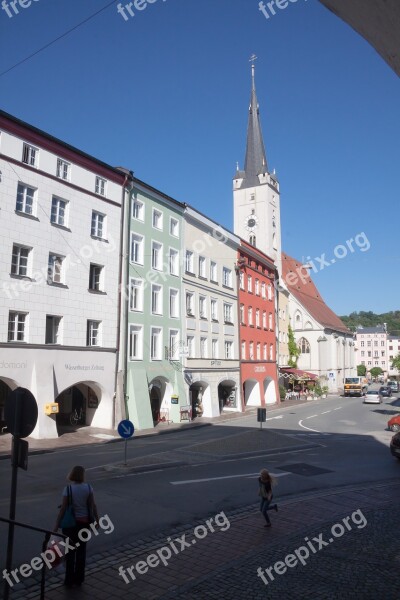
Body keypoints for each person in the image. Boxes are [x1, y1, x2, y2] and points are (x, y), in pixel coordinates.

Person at [54, 465, 99, 587]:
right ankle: (79, 579)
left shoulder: (68, 489)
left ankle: (68, 580)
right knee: (81, 551)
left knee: (69, 553)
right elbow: (92, 506)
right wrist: (97, 520)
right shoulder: (88, 488)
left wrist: (56, 525)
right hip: (84, 525)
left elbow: (63, 509)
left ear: (72, 474)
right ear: (83, 475)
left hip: (69, 526)